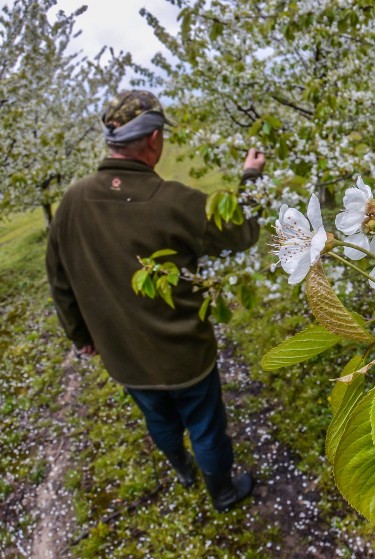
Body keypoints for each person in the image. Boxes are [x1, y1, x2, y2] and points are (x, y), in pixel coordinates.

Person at [46, 90, 265, 512]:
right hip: (185, 355)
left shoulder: (72, 202)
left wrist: (81, 336)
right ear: (153, 140)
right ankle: (221, 491)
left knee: (159, 419)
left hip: (123, 357)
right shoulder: (176, 202)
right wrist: (251, 176)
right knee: (205, 425)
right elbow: (241, 232)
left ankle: (182, 470)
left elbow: (59, 281)